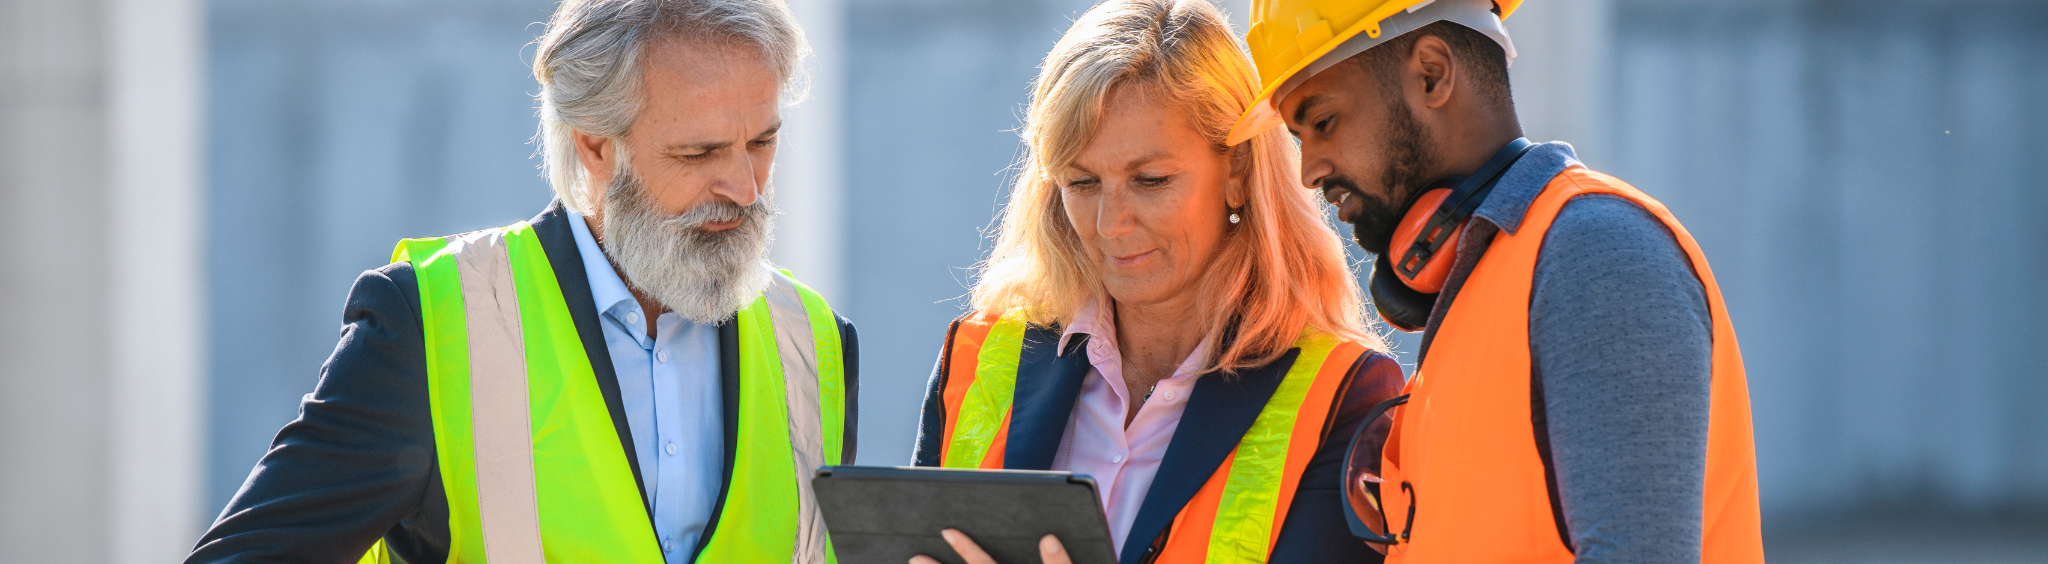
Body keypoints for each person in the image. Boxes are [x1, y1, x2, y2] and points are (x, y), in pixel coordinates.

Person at [184, 1, 859, 563]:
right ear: (594, 144)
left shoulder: (815, 344)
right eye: (700, 152)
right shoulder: (431, 324)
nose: (744, 188)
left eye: (763, 142)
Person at [1227, 0, 1765, 562]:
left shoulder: (1596, 253)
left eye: (1323, 122)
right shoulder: (1482, 286)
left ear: (1431, 74)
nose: (1309, 170)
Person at [907, 1, 1405, 563]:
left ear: (1238, 172)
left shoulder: (1344, 396)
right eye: (1082, 182)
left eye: (1150, 180)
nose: (1110, 224)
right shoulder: (976, 359)